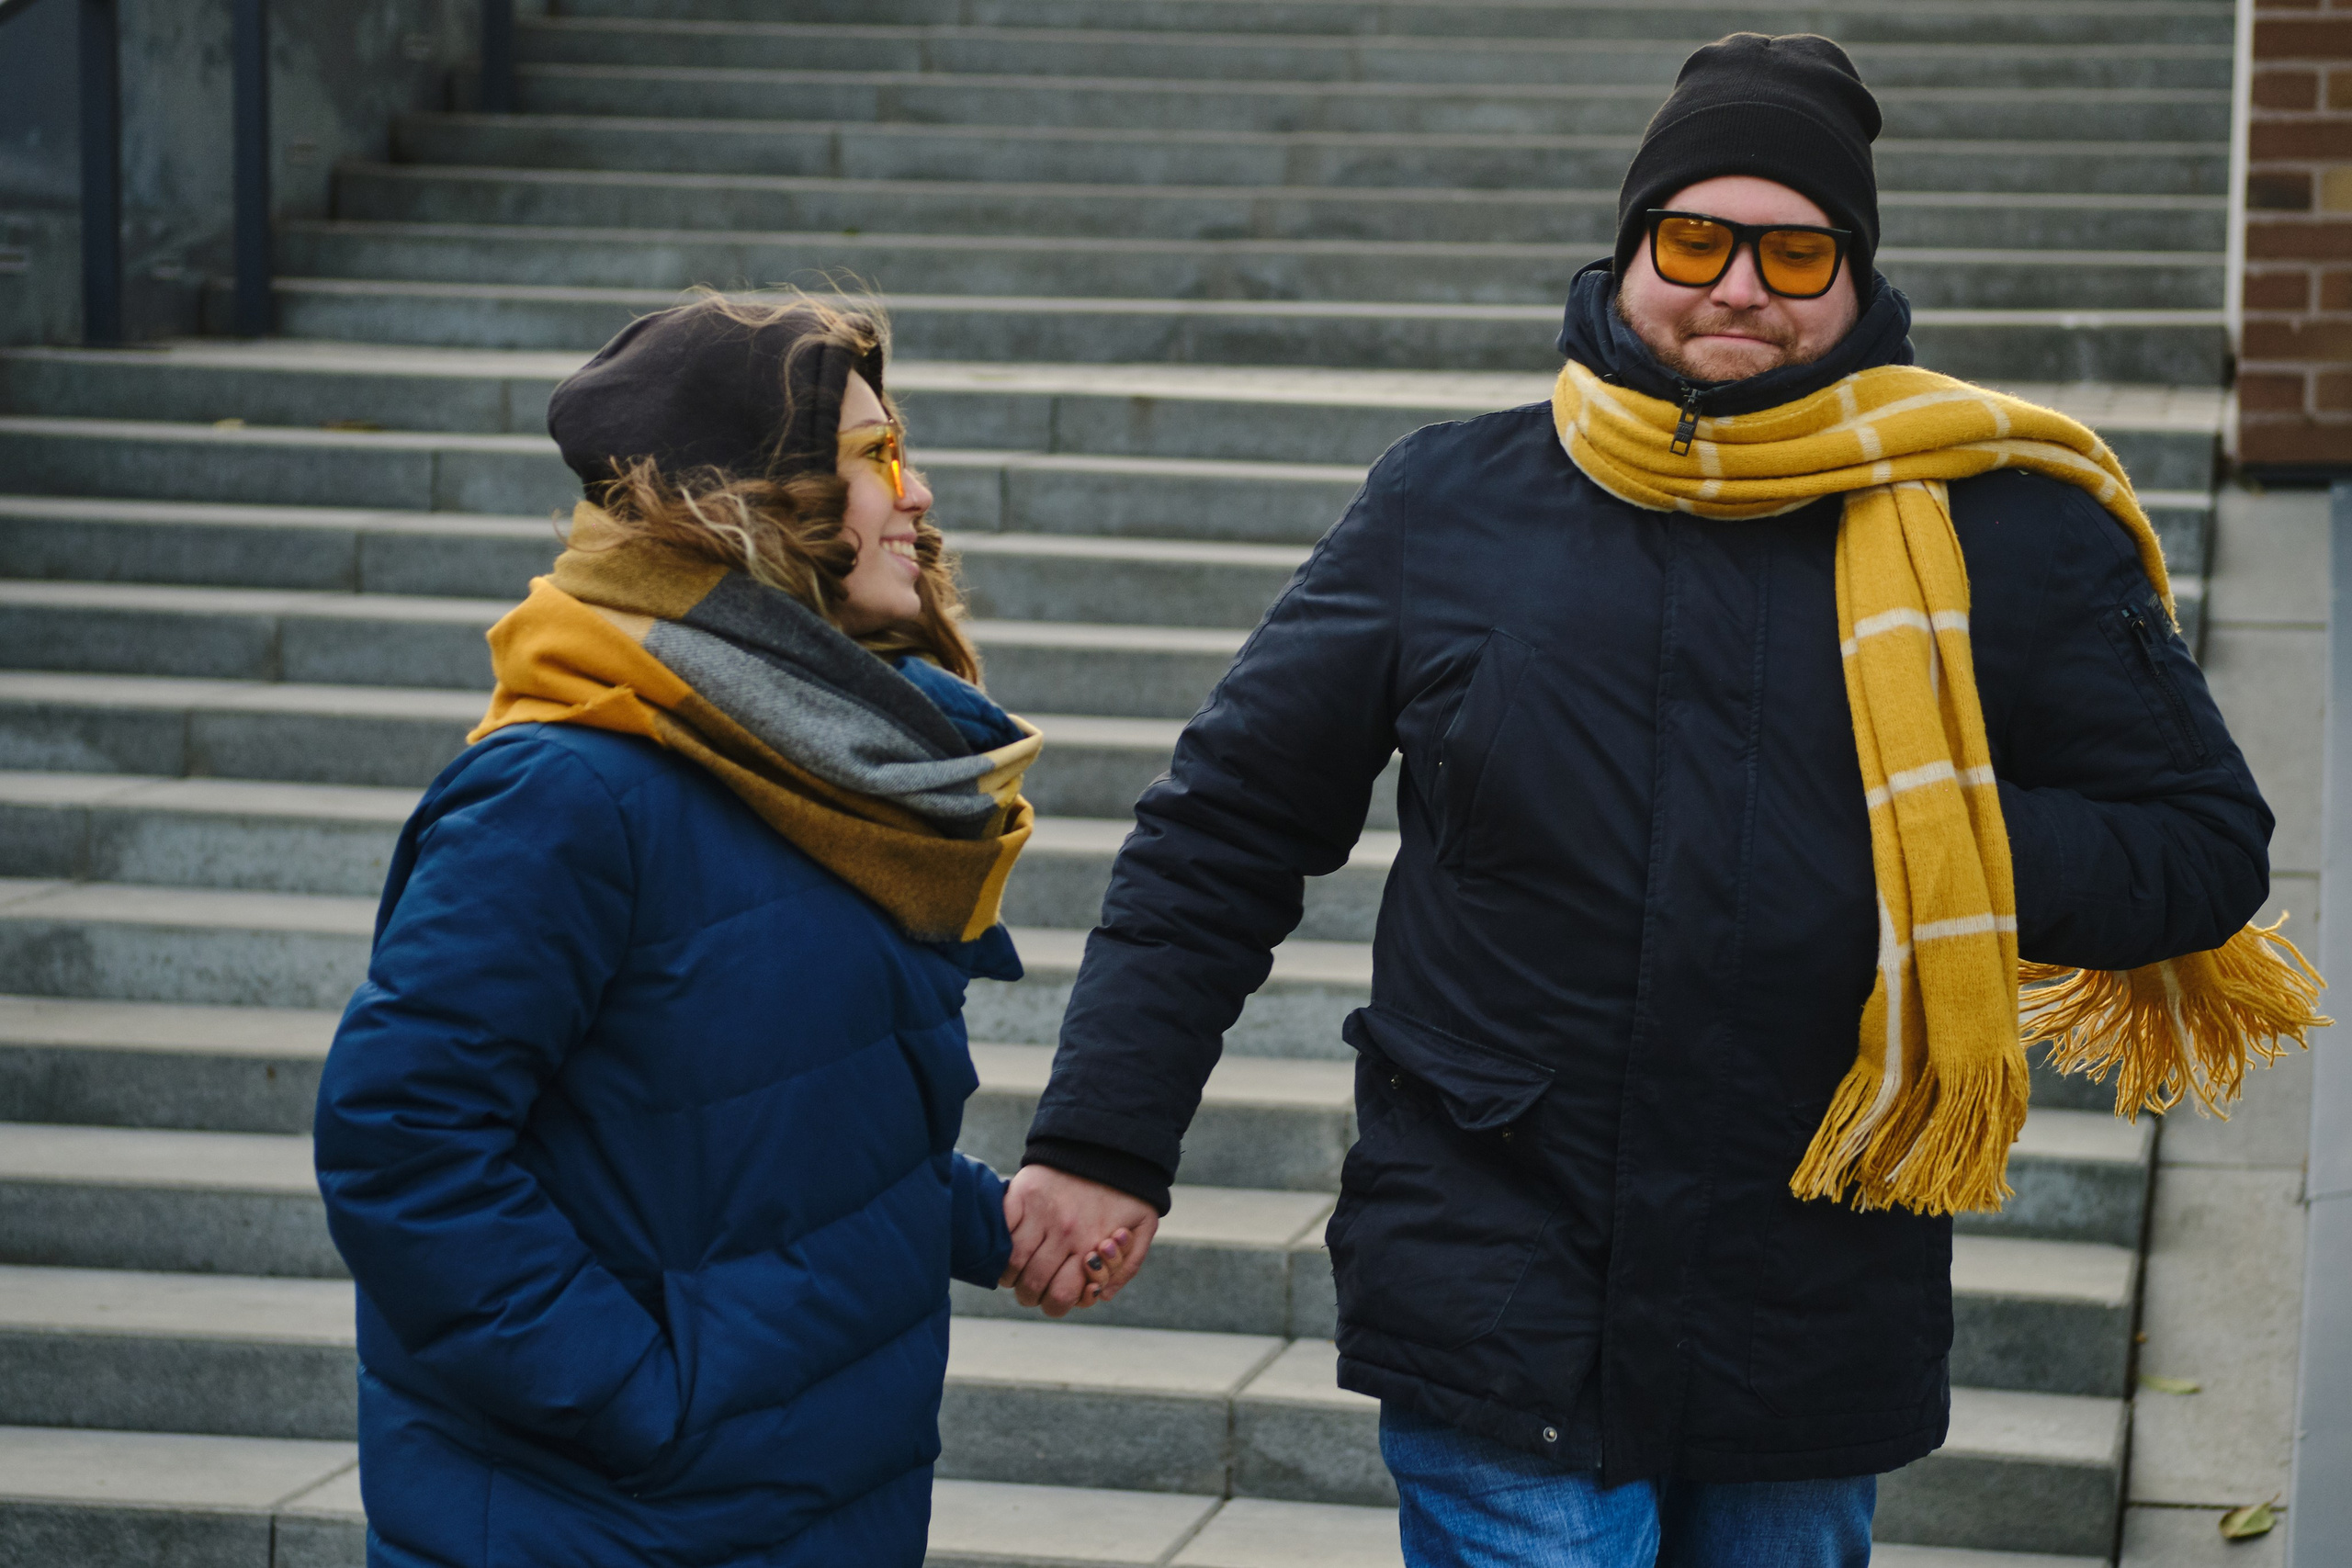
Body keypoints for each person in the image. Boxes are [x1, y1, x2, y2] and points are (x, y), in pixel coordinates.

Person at [999, 33, 2325, 1567]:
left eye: (1793, 249)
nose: (1737, 286)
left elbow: (2203, 847)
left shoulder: (2007, 527)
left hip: (1813, 1289)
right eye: (1694, 239)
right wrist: (1103, 1135)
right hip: (1495, 1264)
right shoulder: (1449, 505)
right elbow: (1220, 831)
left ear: (1856, 278)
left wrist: (1932, 833)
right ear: (1630, 255)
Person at [312, 297, 1125, 1568]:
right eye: (875, 459)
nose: (916, 499)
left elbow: (773, 1125)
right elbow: (400, 1146)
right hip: (601, 1519)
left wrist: (992, 1222)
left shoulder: (822, 769)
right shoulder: (566, 794)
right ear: (757, 500)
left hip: (800, 1496)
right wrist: (647, 1395)